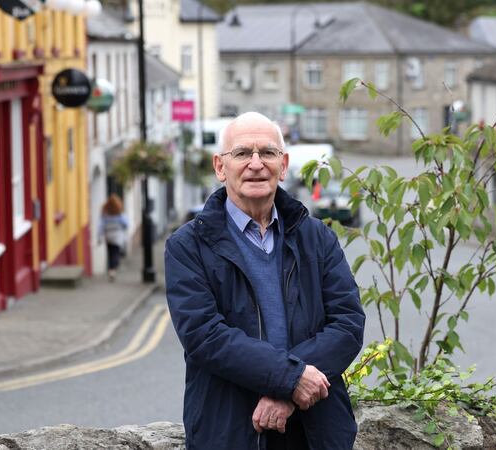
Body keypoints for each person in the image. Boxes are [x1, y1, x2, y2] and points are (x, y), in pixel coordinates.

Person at [165, 112, 365, 449]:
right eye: (242, 153)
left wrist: (286, 392)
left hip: (317, 432)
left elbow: (348, 324)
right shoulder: (187, 246)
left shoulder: (317, 237)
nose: (256, 164)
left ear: (283, 166)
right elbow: (205, 336)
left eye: (268, 153)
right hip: (230, 432)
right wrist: (291, 378)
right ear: (220, 166)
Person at [98, 194, 128, 281]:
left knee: (110, 252)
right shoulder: (119, 214)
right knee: (116, 253)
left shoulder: (105, 214)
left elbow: (101, 226)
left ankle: (111, 269)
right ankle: (113, 270)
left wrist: (99, 237)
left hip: (108, 235)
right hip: (117, 235)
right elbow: (126, 224)